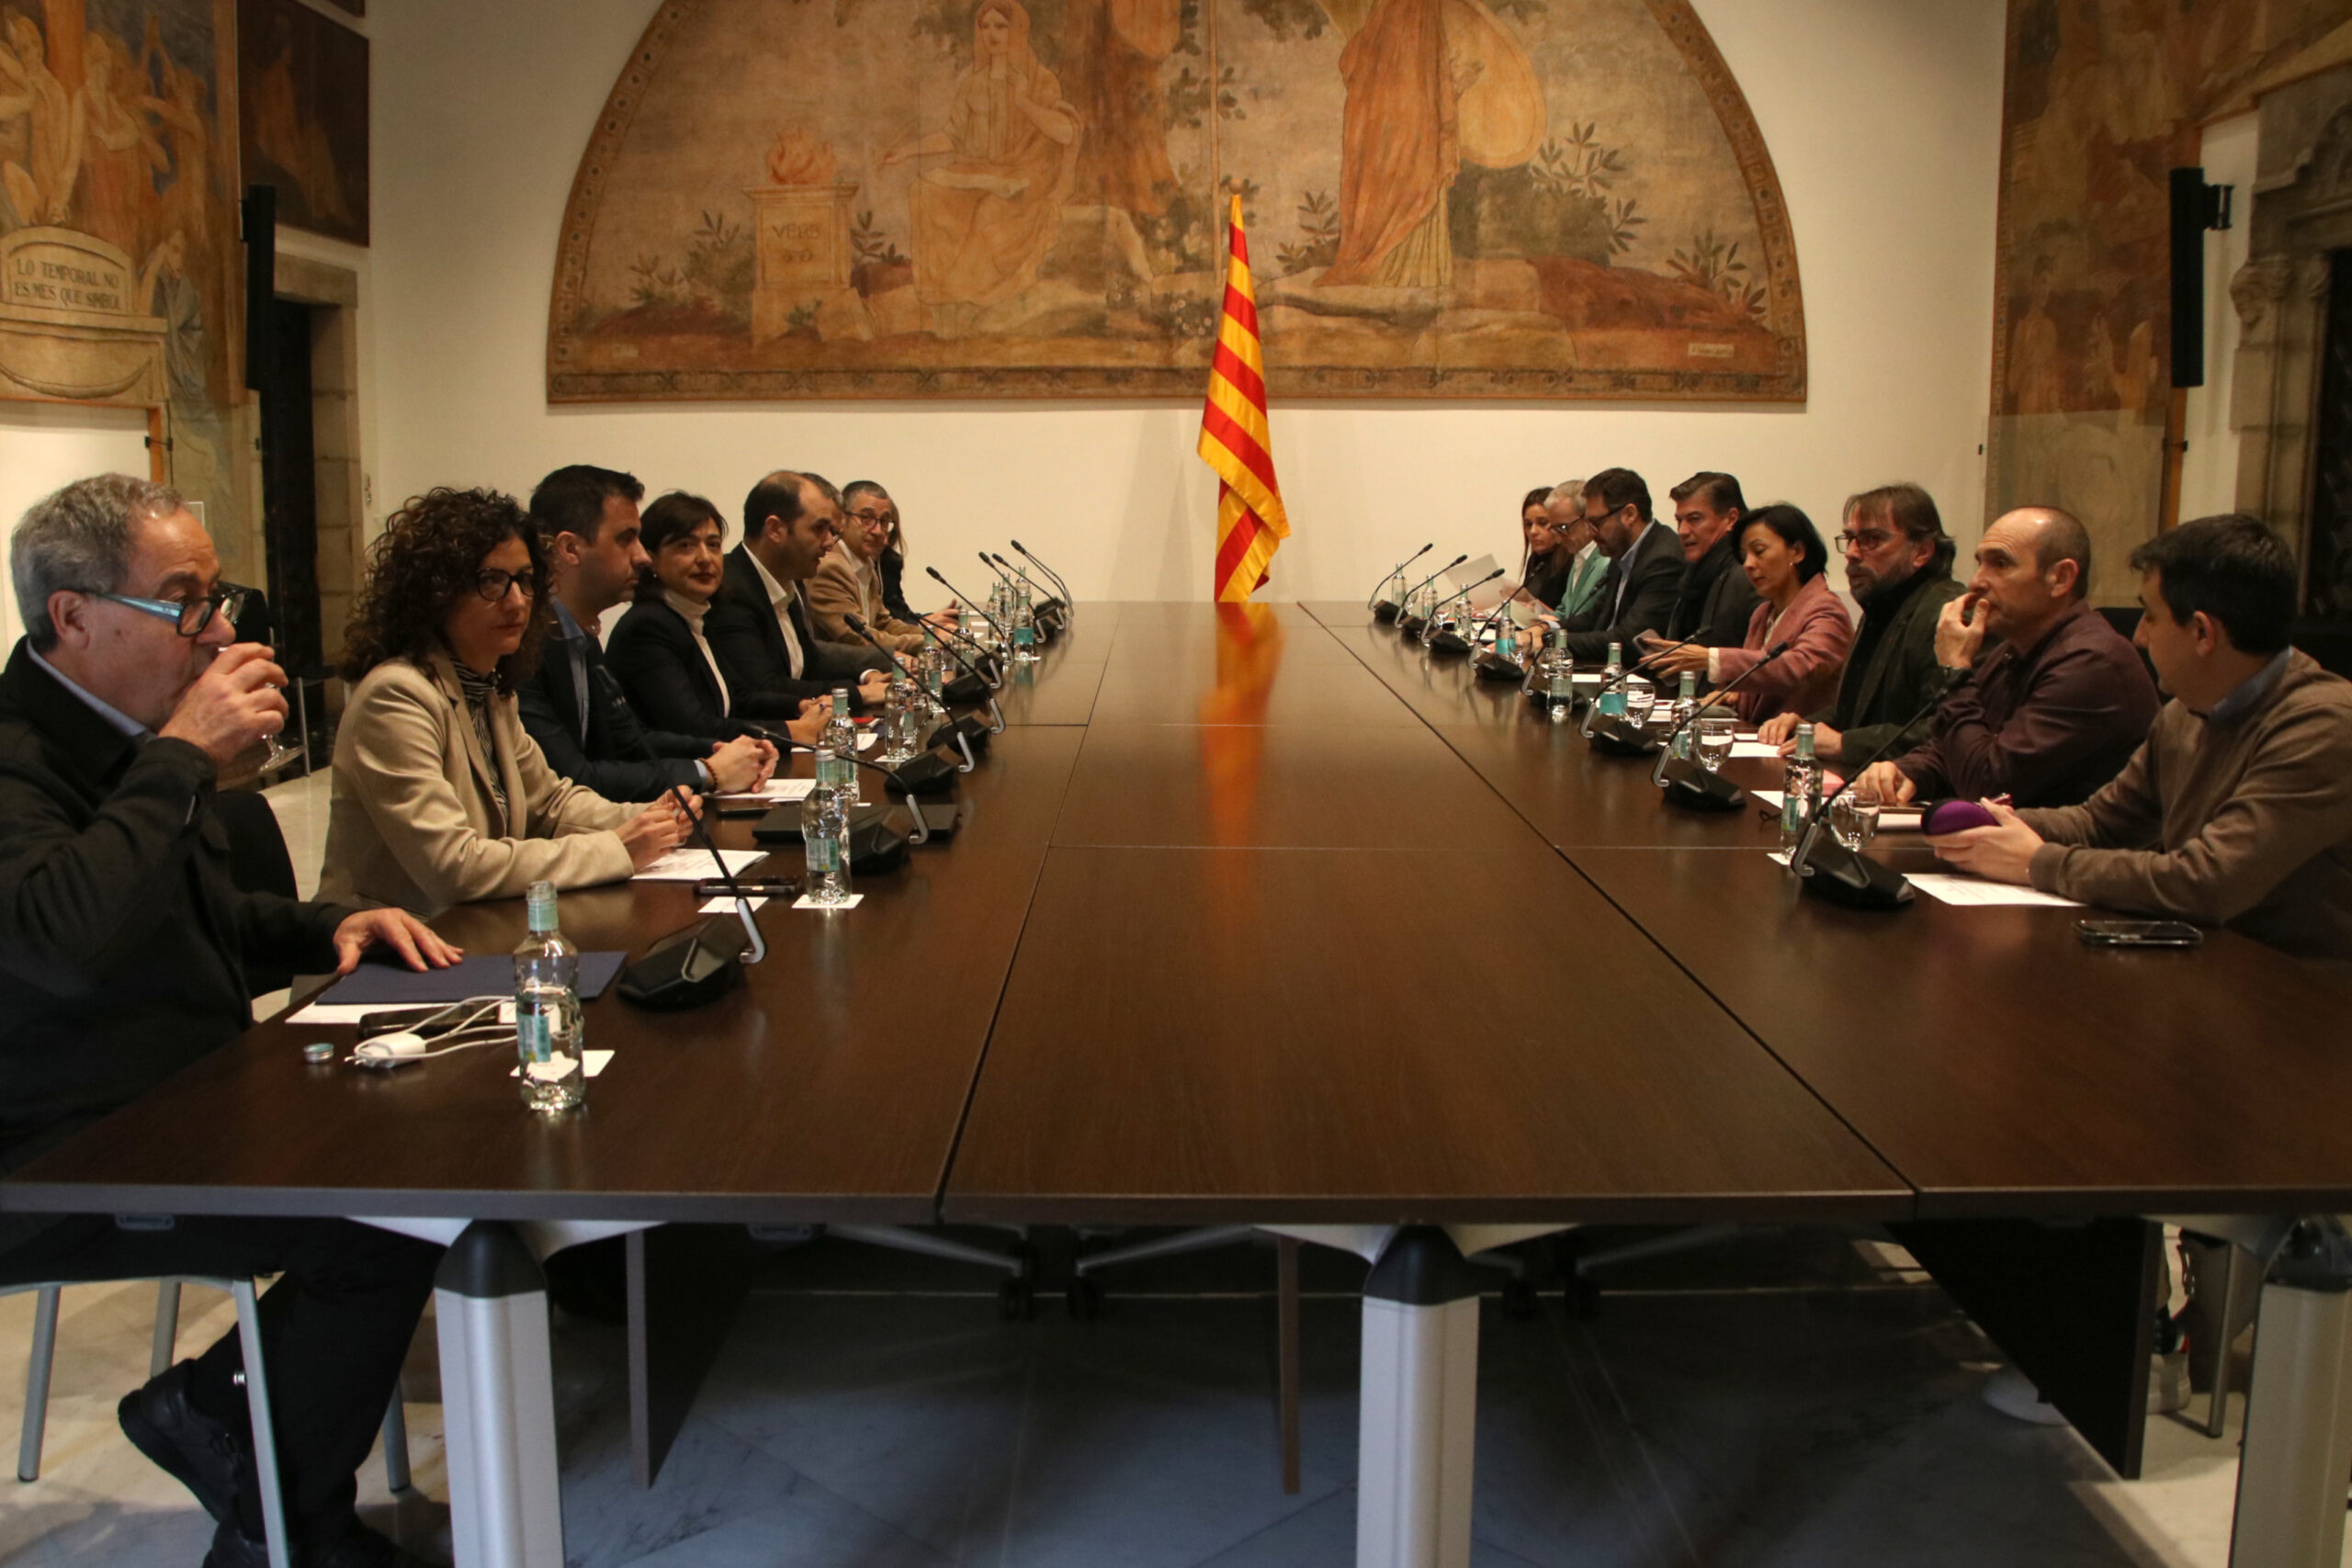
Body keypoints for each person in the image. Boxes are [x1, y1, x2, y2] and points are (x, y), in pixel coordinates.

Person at [0, 474, 454, 1568]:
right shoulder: (23, 757)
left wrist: (330, 927)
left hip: (178, 1096)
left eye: (216, 599)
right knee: (382, 1227)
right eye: (183, 602)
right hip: (58, 1147)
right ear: (74, 616)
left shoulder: (132, 734)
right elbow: (64, 943)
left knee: (433, 1149)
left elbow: (194, 920)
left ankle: (224, 1425)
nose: (214, 632)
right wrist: (181, 759)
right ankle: (274, 1514)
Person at [1928, 515, 2352, 961]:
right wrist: (1989, 825)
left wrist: (2037, 862)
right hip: (2208, 962)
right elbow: (2102, 823)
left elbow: (2207, 881)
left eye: (2150, 615)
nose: (2140, 636)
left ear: (2203, 633)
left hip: (2299, 986)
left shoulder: (2322, 726)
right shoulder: (2185, 712)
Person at [319, 488, 692, 916]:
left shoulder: (491, 688)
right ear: (436, 591)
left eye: (525, 581)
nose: (517, 601)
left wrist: (649, 817)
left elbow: (550, 804)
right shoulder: (396, 697)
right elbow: (454, 866)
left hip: (473, 927)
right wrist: (618, 847)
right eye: (491, 581)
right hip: (390, 944)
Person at [1855, 506, 2158, 808]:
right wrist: (1907, 771)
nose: (1976, 582)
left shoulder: (2092, 661)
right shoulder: (2015, 647)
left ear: (2061, 578)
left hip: (2060, 837)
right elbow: (1955, 747)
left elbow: (1988, 784)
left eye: (2000, 564)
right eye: (1980, 563)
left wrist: (1954, 670)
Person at [520, 464, 776, 799]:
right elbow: (572, 777)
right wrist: (708, 771)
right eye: (626, 540)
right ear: (569, 549)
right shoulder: (524, 644)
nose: (642, 557)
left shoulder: (583, 635)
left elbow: (630, 741)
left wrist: (733, 751)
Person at [1759, 483, 1966, 765]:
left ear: (1922, 551)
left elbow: (1945, 730)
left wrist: (1844, 744)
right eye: (1849, 539)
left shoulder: (1949, 615)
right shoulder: (1881, 606)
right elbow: (1857, 713)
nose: (1852, 553)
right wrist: (1807, 725)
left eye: (1871, 540)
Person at [608, 491, 830, 747]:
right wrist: (791, 731)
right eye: (685, 546)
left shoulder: (697, 614)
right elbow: (694, 727)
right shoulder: (648, 627)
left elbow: (739, 698)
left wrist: (800, 705)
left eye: (713, 545)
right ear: (652, 558)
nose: (705, 558)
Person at [1643, 503, 1852, 725]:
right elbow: (1762, 684)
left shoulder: (1826, 609)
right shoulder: (1762, 614)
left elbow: (1800, 667)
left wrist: (1711, 659)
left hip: (1800, 741)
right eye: (1744, 556)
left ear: (1798, 551)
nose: (1748, 564)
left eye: (1759, 551)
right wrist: (1733, 698)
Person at [709, 470, 892, 715]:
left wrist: (867, 676)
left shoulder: (789, 580)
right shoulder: (732, 590)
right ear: (775, 530)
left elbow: (809, 661)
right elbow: (764, 687)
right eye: (819, 529)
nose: (829, 543)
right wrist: (858, 693)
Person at [806, 480, 953, 652]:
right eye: (866, 518)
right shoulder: (830, 568)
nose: (877, 531)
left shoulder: (866, 564)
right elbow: (858, 637)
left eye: (884, 521)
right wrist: (928, 642)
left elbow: (884, 624)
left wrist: (934, 633)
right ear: (843, 520)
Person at [1559, 468, 1682, 663]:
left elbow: (1632, 640)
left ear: (1630, 514)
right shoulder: (1621, 552)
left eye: (1597, 523)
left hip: (1642, 676)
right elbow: (1596, 616)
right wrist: (1548, 629)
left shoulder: (1663, 560)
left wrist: (1554, 642)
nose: (1592, 533)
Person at [1660, 471, 1760, 648]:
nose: (1682, 531)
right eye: (1679, 520)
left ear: (1731, 519)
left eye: (1694, 519)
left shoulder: (1749, 574)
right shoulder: (1694, 573)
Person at [1540, 479, 1609, 621]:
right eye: (1554, 529)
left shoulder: (1606, 563)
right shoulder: (1579, 556)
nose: (1559, 539)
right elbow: (1565, 611)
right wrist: (1534, 619)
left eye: (1563, 528)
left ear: (1587, 519)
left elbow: (1592, 620)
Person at [1518, 487, 1571, 610]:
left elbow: (1566, 616)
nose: (1533, 531)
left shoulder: (1570, 562)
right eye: (1528, 524)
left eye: (1542, 523)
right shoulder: (1535, 560)